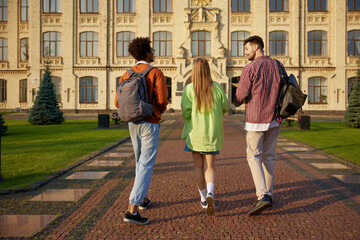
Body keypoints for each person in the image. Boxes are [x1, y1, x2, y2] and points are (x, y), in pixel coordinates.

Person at [115, 37, 168, 225]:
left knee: (139, 162)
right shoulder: (155, 73)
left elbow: (117, 102)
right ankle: (132, 209)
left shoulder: (125, 75)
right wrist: (154, 112)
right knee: (146, 164)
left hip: (132, 123)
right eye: (151, 50)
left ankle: (143, 199)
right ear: (147, 53)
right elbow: (162, 100)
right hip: (149, 122)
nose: (153, 52)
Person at [236, 35, 284, 216]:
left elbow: (241, 95)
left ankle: (262, 195)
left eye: (247, 48)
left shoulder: (250, 67)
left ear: (257, 47)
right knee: (269, 156)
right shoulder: (278, 65)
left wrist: (237, 98)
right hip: (275, 118)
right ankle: (269, 194)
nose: (245, 52)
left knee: (253, 155)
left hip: (256, 119)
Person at [181, 58, 229, 216]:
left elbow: (186, 112)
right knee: (210, 167)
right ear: (208, 70)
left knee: (197, 167)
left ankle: (203, 199)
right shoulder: (217, 87)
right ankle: (210, 194)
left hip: (195, 135)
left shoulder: (188, 89)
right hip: (212, 135)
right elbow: (225, 107)